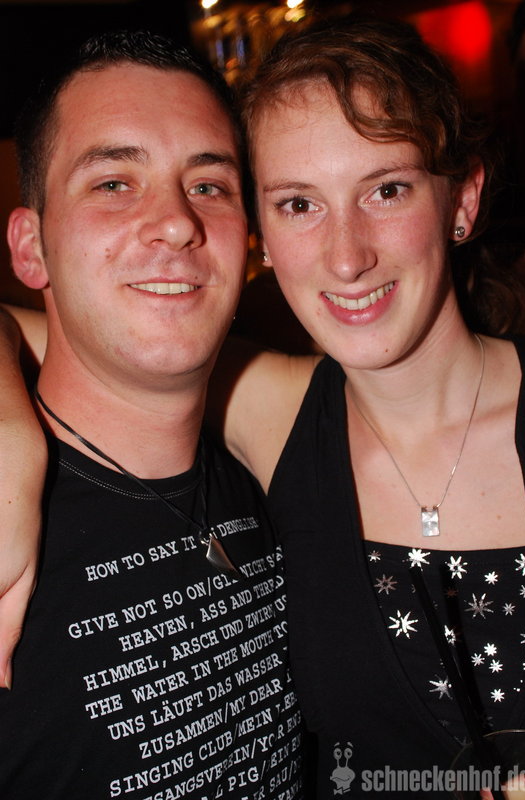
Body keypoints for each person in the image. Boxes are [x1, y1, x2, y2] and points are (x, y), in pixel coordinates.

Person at [1, 16, 525, 799]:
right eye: (297, 204)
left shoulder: (248, 415)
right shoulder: (279, 418)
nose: (347, 257)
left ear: (462, 199)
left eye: (386, 189)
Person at [0, 30, 303, 799]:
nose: (175, 222)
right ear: (31, 248)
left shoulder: (283, 474)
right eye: (113, 182)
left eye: (208, 185)